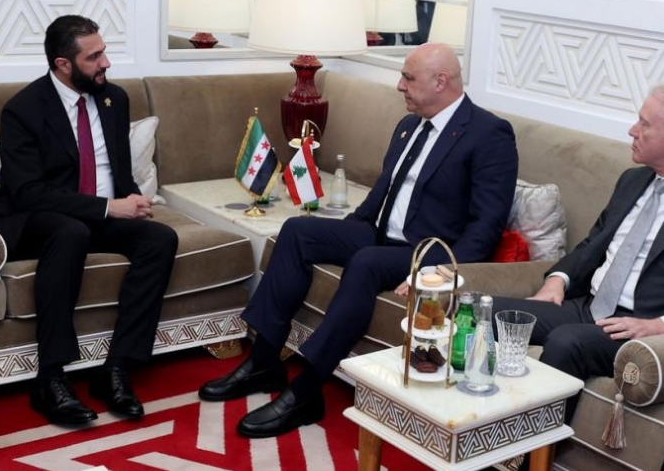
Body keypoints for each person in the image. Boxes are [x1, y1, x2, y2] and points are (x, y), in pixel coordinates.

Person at [198, 43, 519, 438]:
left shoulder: (489, 134)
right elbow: (384, 191)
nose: (400, 85)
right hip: (377, 232)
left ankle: (307, 390)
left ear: (441, 82)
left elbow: (487, 224)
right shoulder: (409, 125)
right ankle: (264, 362)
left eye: (408, 78)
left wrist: (440, 272)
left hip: (423, 252)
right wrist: (342, 233)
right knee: (298, 231)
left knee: (366, 262)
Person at [0, 15, 178, 424]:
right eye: (94, 57)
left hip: (98, 214)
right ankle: (50, 377)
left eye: (104, 52)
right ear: (63, 64)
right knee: (70, 232)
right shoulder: (23, 109)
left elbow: (118, 171)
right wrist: (108, 209)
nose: (106, 63)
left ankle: (116, 368)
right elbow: (28, 192)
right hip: (36, 217)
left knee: (160, 239)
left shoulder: (113, 99)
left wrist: (132, 200)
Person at [489, 85, 664, 419]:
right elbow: (592, 243)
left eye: (644, 124)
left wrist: (659, 326)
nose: (632, 130)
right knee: (482, 312)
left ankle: (531, 448)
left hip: (635, 324)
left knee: (565, 341)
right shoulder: (633, 181)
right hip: (589, 306)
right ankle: (469, 422)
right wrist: (558, 280)